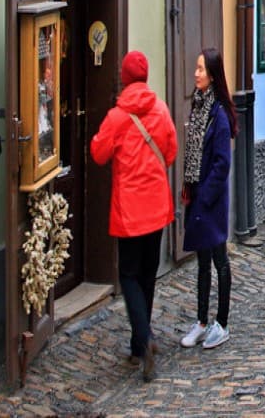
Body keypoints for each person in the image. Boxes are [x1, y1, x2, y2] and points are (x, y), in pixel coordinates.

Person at [90, 50, 177, 382]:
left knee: (128, 276)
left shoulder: (116, 116)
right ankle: (140, 345)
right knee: (146, 275)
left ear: (125, 79)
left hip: (129, 212)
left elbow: (98, 153)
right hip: (156, 209)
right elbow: (169, 151)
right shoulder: (161, 109)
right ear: (146, 76)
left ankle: (144, 339)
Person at [179, 47, 237, 350]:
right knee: (201, 261)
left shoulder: (219, 116)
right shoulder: (199, 107)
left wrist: (205, 197)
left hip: (210, 201)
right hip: (197, 195)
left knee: (219, 260)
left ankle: (221, 323)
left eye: (201, 69)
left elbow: (221, 164)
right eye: (196, 68)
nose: (196, 73)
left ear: (212, 75)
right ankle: (201, 322)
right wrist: (191, 188)